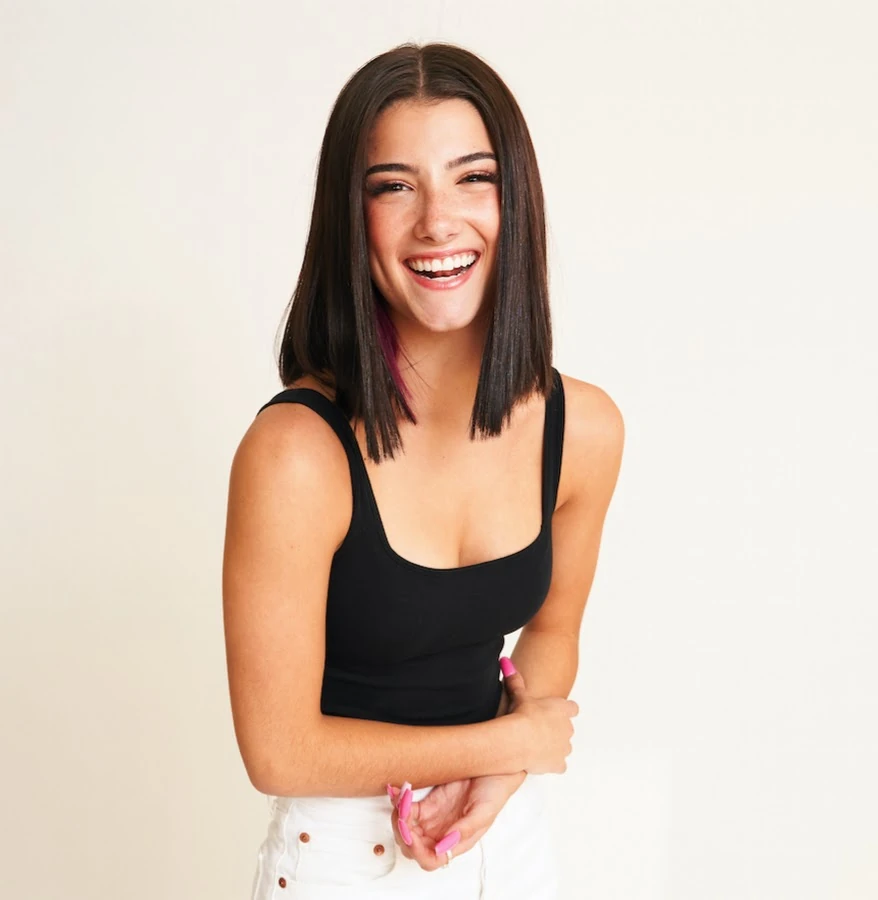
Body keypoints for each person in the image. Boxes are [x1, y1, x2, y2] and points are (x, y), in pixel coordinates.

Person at [222, 41, 624, 899]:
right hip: (342, 860)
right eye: (394, 187)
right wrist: (507, 743)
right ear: (352, 217)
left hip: (506, 844)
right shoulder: (296, 452)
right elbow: (278, 750)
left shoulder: (582, 429)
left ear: (516, 202)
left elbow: (552, 633)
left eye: (473, 178)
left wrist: (498, 781)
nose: (437, 221)